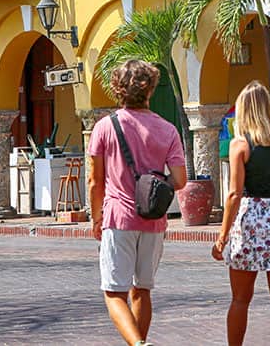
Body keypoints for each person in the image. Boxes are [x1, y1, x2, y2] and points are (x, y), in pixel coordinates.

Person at [87, 60, 187, 346]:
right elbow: (179, 179)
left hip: (118, 217)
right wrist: (153, 186)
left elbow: (96, 180)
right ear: (150, 90)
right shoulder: (167, 130)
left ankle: (140, 345)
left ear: (118, 89)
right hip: (153, 220)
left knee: (113, 292)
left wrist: (96, 219)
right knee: (142, 290)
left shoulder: (105, 127)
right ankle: (139, 342)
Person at [211, 80, 270, 346]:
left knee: (240, 299)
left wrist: (222, 238)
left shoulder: (240, 144)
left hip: (252, 218)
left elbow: (233, 194)